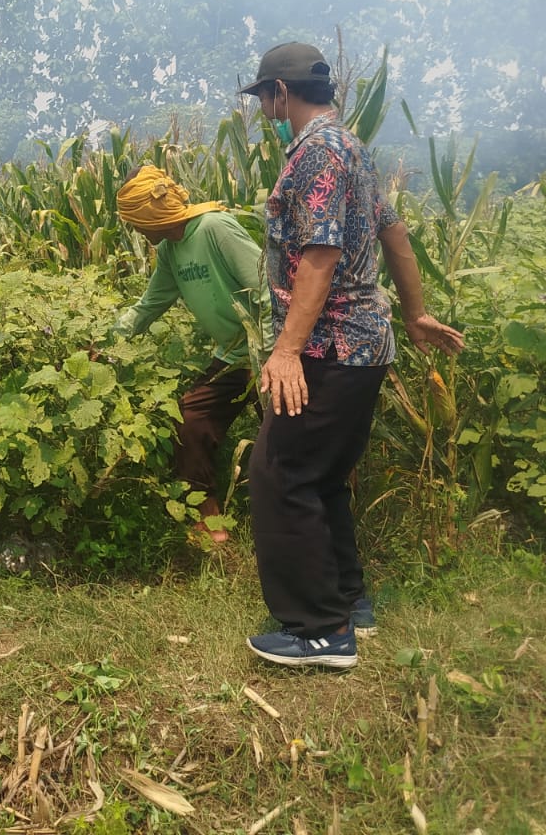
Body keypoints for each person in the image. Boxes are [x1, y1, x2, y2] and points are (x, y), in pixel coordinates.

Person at [239, 43, 464, 669]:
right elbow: (394, 231)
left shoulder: (318, 154)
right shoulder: (353, 149)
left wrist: (287, 351)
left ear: (281, 92)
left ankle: (319, 631)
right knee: (322, 477)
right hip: (364, 343)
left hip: (329, 345)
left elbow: (319, 256)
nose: (262, 108)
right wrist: (415, 312)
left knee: (280, 473)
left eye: (263, 97)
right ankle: (348, 603)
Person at [114, 165, 267, 543]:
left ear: (151, 215)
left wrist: (280, 351)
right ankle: (209, 522)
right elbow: (150, 304)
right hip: (231, 356)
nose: (135, 230)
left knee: (286, 437)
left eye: (136, 222)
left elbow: (267, 285)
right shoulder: (170, 250)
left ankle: (291, 523)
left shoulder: (214, 228)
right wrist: (106, 338)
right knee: (190, 420)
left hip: (266, 351)